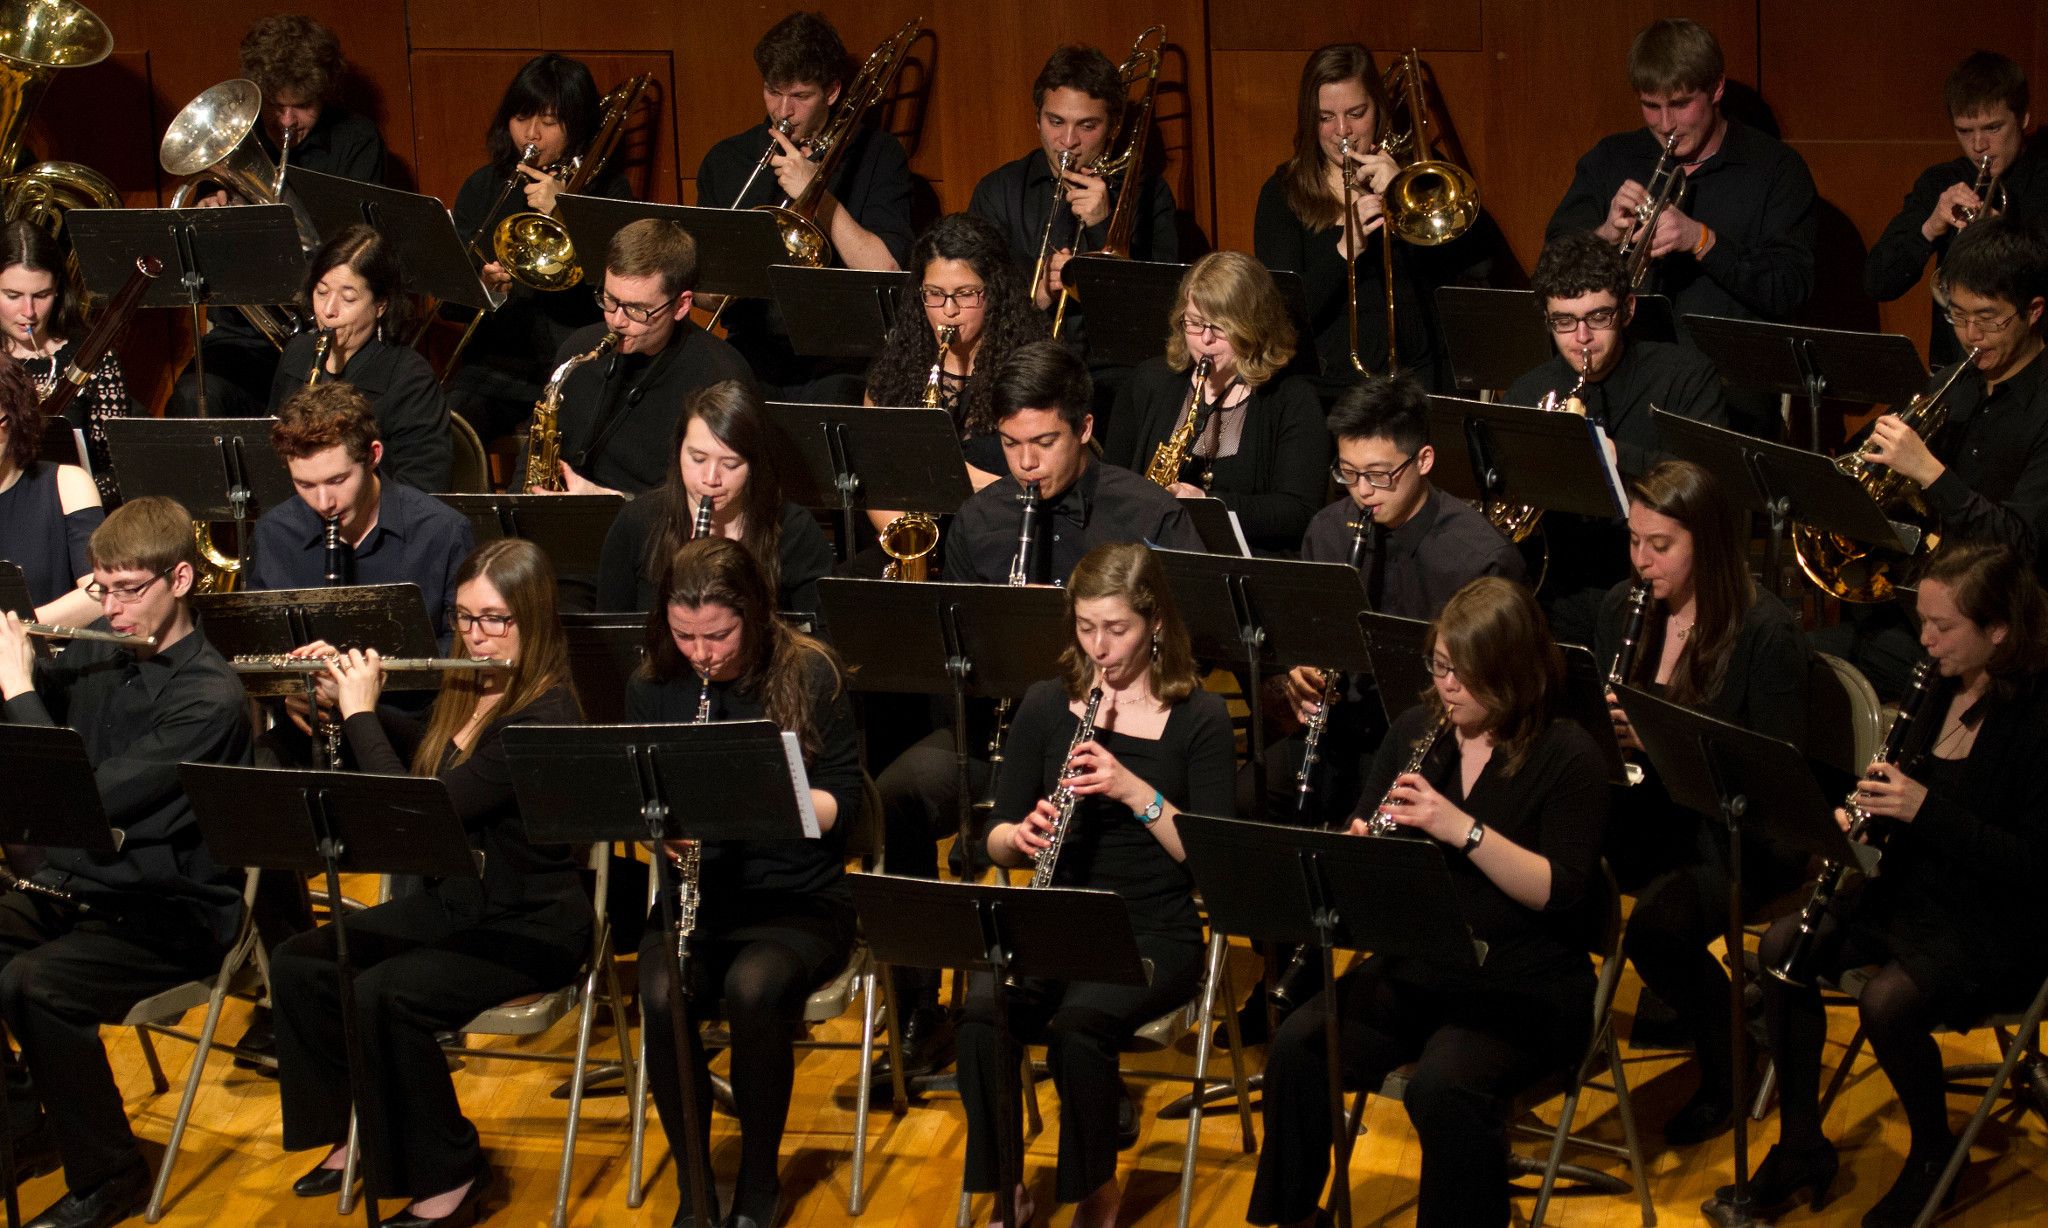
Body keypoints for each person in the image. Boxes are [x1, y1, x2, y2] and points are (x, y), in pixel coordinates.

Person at [871, 341, 1202, 1085]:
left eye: (1044, 443)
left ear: (1084, 428)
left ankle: (1093, 1036)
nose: (1026, 464)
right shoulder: (982, 519)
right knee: (896, 793)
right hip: (1000, 737)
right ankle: (923, 1007)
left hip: (1116, 743)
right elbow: (945, 660)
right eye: (1011, 445)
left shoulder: (1146, 514)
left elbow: (1185, 654)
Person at [1246, 576, 1609, 1228]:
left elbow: (1562, 890)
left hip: (1525, 983)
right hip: (1421, 966)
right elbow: (1368, 837)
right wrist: (1359, 856)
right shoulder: (1419, 731)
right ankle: (1295, 1217)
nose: (1448, 687)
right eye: (1440, 667)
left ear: (1513, 674)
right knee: (1299, 1045)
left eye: (1465, 675)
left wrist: (1458, 828)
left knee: (1443, 1090)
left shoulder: (1568, 754)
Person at [269, 538, 588, 1228]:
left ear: (533, 621)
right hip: (461, 905)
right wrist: (344, 693)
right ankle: (360, 1129)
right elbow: (426, 748)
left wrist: (358, 714)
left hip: (531, 925)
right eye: (466, 618)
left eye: (497, 619)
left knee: (387, 994)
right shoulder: (468, 689)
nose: (477, 636)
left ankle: (451, 1170)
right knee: (301, 961)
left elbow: (424, 811)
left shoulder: (542, 717)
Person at [1735, 540, 2048, 1228]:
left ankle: (1937, 1154)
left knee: (1886, 1002)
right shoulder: (1934, 684)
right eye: (1923, 621)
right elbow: (1900, 804)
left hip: (2002, 924)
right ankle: (1799, 1143)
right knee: (1783, 950)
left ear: (1999, 630)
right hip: (1914, 892)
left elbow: (2033, 866)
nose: (1925, 640)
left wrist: (1922, 809)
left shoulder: (2038, 719)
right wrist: (1863, 814)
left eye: (1943, 627)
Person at [962, 541, 1233, 1228]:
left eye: (1117, 629)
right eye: (1086, 628)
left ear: (1157, 626)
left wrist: (1133, 787)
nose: (1100, 647)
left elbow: (1215, 862)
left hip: (1154, 929)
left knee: (1080, 1025)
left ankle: (1094, 1191)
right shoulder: (1049, 705)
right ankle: (1007, 1188)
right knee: (979, 1012)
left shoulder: (1200, 717)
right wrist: (1017, 838)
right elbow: (991, 833)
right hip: (1056, 920)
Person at [0, 496, 253, 1228]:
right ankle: (24, 1128)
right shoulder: (97, 651)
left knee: (34, 984)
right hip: (80, 886)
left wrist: (17, 685)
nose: (112, 607)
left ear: (180, 578)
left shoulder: (209, 697)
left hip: (169, 911)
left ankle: (112, 1176)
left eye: (128, 589)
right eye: (100, 588)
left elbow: (81, 800)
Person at [630, 535, 863, 1228]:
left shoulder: (810, 675)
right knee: (661, 992)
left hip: (798, 893)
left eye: (719, 635)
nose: (703, 653)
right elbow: (634, 796)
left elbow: (844, 805)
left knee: (752, 988)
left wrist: (762, 801)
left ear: (756, 616)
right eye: (685, 635)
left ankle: (759, 1182)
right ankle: (695, 1187)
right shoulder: (654, 685)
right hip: (698, 896)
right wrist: (658, 828)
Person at [1595, 460, 1806, 1144]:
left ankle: (1730, 1065)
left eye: (1662, 547)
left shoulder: (1764, 633)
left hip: (1740, 837)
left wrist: (1657, 742)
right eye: (1635, 541)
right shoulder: (1620, 610)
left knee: (1658, 931)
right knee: (1549, 867)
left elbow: (1772, 784)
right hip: (1654, 819)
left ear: (1708, 543)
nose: (1642, 562)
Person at [1268, 372, 1523, 832]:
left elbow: (1499, 698)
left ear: (1423, 460)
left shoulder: (1481, 559)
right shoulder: (1328, 531)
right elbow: (1304, 638)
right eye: (1347, 472)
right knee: (1248, 803)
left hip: (1432, 746)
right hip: (1339, 735)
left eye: (1379, 474)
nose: (1362, 491)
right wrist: (1298, 675)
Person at [1546, 17, 1816, 438]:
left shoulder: (1775, 170)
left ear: (1717, 89)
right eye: (1651, 106)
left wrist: (1702, 241)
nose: (1665, 124)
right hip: (1617, 379)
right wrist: (1605, 235)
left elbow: (1789, 289)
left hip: (1725, 390)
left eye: (1681, 104)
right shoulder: (1611, 158)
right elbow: (1551, 267)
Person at [1814, 214, 2048, 698]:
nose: (1970, 335)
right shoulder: (1951, 384)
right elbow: (1864, 465)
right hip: (1905, 608)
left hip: (1997, 629)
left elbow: (2022, 547)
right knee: (1792, 657)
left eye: (1988, 318)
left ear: (2034, 311)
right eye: (1958, 316)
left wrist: (1929, 472)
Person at [1507, 230, 1732, 645]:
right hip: (1560, 579)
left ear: (1627, 310)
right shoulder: (1529, 391)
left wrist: (1612, 454)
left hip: (1656, 581)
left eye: (1598, 317)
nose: (1582, 338)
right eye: (1564, 321)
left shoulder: (1684, 375)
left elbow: (1705, 484)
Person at [166, 14, 389, 418]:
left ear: (323, 96)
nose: (286, 122)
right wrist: (208, 212)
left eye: (301, 106)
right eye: (275, 105)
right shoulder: (235, 136)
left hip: (324, 332)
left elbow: (361, 247)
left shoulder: (356, 141)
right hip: (241, 334)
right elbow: (196, 221)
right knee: (190, 401)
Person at [1253, 43, 1492, 397]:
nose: (1342, 131)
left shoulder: (1417, 174)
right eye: (1325, 118)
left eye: (1356, 113)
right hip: (1329, 391)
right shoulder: (1282, 194)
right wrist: (1343, 251)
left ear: (1378, 109)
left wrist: (1405, 203)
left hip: (1422, 381)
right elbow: (1281, 317)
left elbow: (1478, 268)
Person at [696, 11, 914, 394]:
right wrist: (713, 291)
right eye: (772, 91)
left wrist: (817, 193)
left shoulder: (879, 154)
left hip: (846, 361)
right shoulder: (726, 160)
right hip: (751, 356)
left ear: (831, 92)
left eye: (799, 96)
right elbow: (701, 289)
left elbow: (887, 269)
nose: (782, 112)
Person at [444, 53, 637, 445]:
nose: (531, 134)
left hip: (578, 367)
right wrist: (482, 287)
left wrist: (567, 213)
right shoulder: (484, 186)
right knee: (447, 429)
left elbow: (620, 291)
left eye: (549, 123)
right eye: (520, 118)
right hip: (496, 368)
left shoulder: (608, 192)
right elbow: (451, 300)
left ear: (577, 126)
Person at [1103, 252, 1328, 555]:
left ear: (1254, 326)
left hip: (1250, 564)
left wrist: (1209, 506)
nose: (1204, 340)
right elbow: (1112, 482)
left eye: (1219, 327)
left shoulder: (1292, 399)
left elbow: (1298, 511)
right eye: (1194, 323)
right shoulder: (1149, 381)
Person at [967, 44, 1178, 334]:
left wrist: (1103, 226)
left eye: (1087, 126)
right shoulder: (999, 191)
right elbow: (976, 307)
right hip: (1026, 358)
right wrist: (1040, 295)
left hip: (1114, 368)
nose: (1068, 141)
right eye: (1055, 122)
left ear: (1113, 127)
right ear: (1037, 120)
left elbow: (1159, 312)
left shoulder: (1149, 194)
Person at [542, 219, 754, 497]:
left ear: (681, 305)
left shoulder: (720, 376)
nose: (617, 321)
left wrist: (612, 503)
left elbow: (716, 501)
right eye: (609, 300)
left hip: (660, 532)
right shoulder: (578, 348)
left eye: (637, 310)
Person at [248, 384, 475, 643]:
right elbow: (260, 648)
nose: (323, 503)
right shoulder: (273, 533)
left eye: (337, 480)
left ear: (372, 456)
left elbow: (461, 650)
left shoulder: (442, 531)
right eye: (305, 485)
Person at [1867, 52, 2046, 370]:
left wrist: (2006, 242)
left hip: (2034, 375)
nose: (1979, 145)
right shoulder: (1941, 182)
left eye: (1992, 128)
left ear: (2024, 119)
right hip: (1955, 368)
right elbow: (1878, 281)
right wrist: (1931, 225)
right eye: (1964, 131)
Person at [595, 380, 832, 615]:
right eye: (698, 459)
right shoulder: (638, 522)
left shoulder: (793, 530)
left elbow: (821, 636)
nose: (710, 479)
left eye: (730, 464)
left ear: (755, 466)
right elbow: (610, 633)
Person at [863, 213, 1050, 490]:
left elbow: (1041, 480)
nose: (949, 311)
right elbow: (875, 475)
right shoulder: (896, 368)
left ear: (994, 291)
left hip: (998, 523)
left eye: (965, 294)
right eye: (935, 294)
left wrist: (941, 470)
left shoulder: (1032, 368)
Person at [268, 224, 452, 493]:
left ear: (380, 305)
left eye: (348, 297)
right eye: (321, 292)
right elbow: (272, 453)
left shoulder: (409, 377)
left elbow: (424, 483)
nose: (329, 311)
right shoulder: (297, 354)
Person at [0, 221, 128, 502]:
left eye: (41, 295)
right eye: (13, 296)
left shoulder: (93, 356)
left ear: (58, 290)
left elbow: (116, 470)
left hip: (70, 511)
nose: (29, 312)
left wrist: (76, 496)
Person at [0, 355, 103, 627]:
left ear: (16, 420)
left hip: (51, 660)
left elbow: (100, 592)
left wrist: (16, 629)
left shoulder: (66, 484)